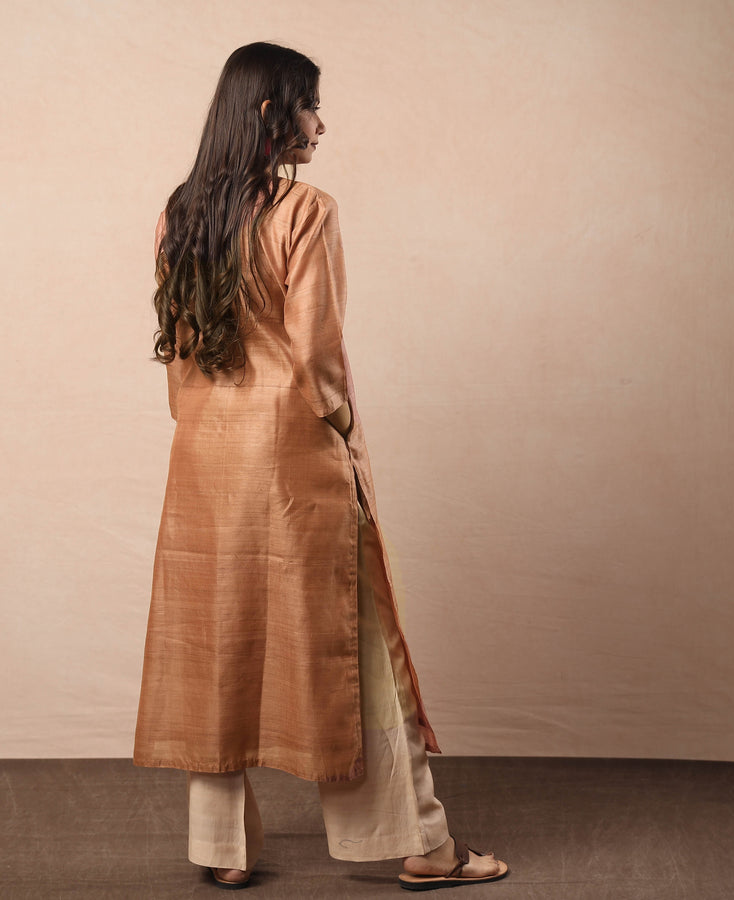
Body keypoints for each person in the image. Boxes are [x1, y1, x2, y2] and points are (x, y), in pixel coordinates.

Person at [133, 41, 508, 891]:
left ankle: (223, 852)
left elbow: (179, 357)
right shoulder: (306, 210)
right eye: (309, 106)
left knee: (219, 643)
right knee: (355, 646)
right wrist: (341, 429)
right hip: (293, 460)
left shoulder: (178, 214)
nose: (320, 125)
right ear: (271, 115)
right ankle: (422, 844)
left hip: (202, 463)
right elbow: (315, 356)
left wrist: (205, 430)